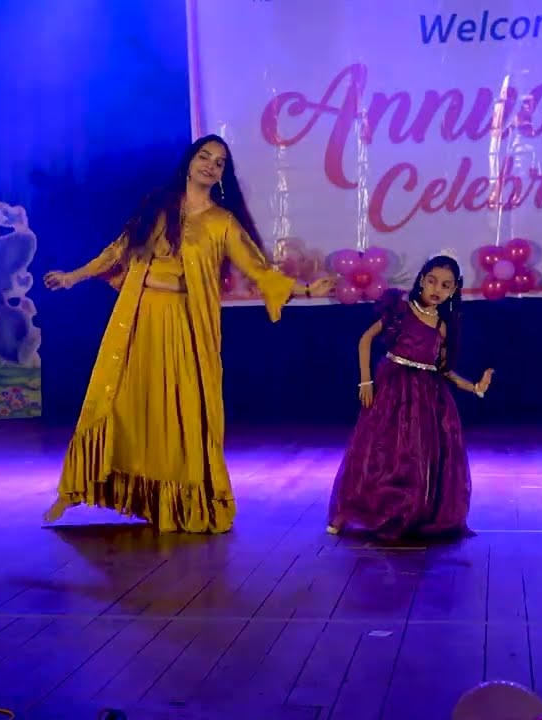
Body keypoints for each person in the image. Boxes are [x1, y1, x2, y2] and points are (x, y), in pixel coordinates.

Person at [41, 134, 335, 533]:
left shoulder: (222, 222)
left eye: (219, 163)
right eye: (204, 157)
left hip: (183, 324)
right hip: (139, 319)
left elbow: (259, 270)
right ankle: (85, 489)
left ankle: (180, 502)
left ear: (222, 176)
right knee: (125, 403)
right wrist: (73, 276)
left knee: (178, 412)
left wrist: (303, 290)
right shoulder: (156, 207)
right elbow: (118, 250)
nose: (210, 165)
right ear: (190, 161)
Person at [326, 255, 492, 540]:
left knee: (416, 457)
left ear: (453, 291)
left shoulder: (442, 326)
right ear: (421, 279)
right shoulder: (401, 309)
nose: (436, 289)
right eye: (431, 281)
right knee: (376, 450)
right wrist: (365, 380)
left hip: (426, 397)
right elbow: (365, 340)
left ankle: (407, 512)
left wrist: (475, 387)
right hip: (393, 389)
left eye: (445, 285)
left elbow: (444, 371)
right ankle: (348, 511)